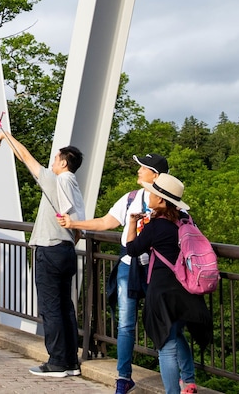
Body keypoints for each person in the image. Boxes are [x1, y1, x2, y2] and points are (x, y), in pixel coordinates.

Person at [59, 154, 197, 393]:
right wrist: (73, 224)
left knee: (171, 328)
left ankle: (188, 378)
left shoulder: (168, 206)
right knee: (126, 325)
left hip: (157, 270)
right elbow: (106, 222)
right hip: (130, 266)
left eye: (143, 168)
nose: (138, 171)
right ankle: (124, 377)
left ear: (155, 175)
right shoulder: (132, 198)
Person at [0, 130, 84, 378]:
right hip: (67, 250)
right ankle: (71, 362)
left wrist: (5, 135)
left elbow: (26, 157)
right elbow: (78, 229)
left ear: (63, 163)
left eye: (55, 159)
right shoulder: (74, 187)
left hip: (49, 250)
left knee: (51, 308)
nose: (52, 163)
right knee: (65, 307)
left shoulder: (56, 181)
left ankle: (56, 363)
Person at [125, 174, 212, 394]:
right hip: (187, 292)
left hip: (163, 293)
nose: (149, 196)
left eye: (152, 193)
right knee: (175, 333)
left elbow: (132, 249)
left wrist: (133, 222)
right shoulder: (185, 221)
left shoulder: (156, 227)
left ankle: (173, 391)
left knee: (166, 347)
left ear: (161, 200)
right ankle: (189, 382)